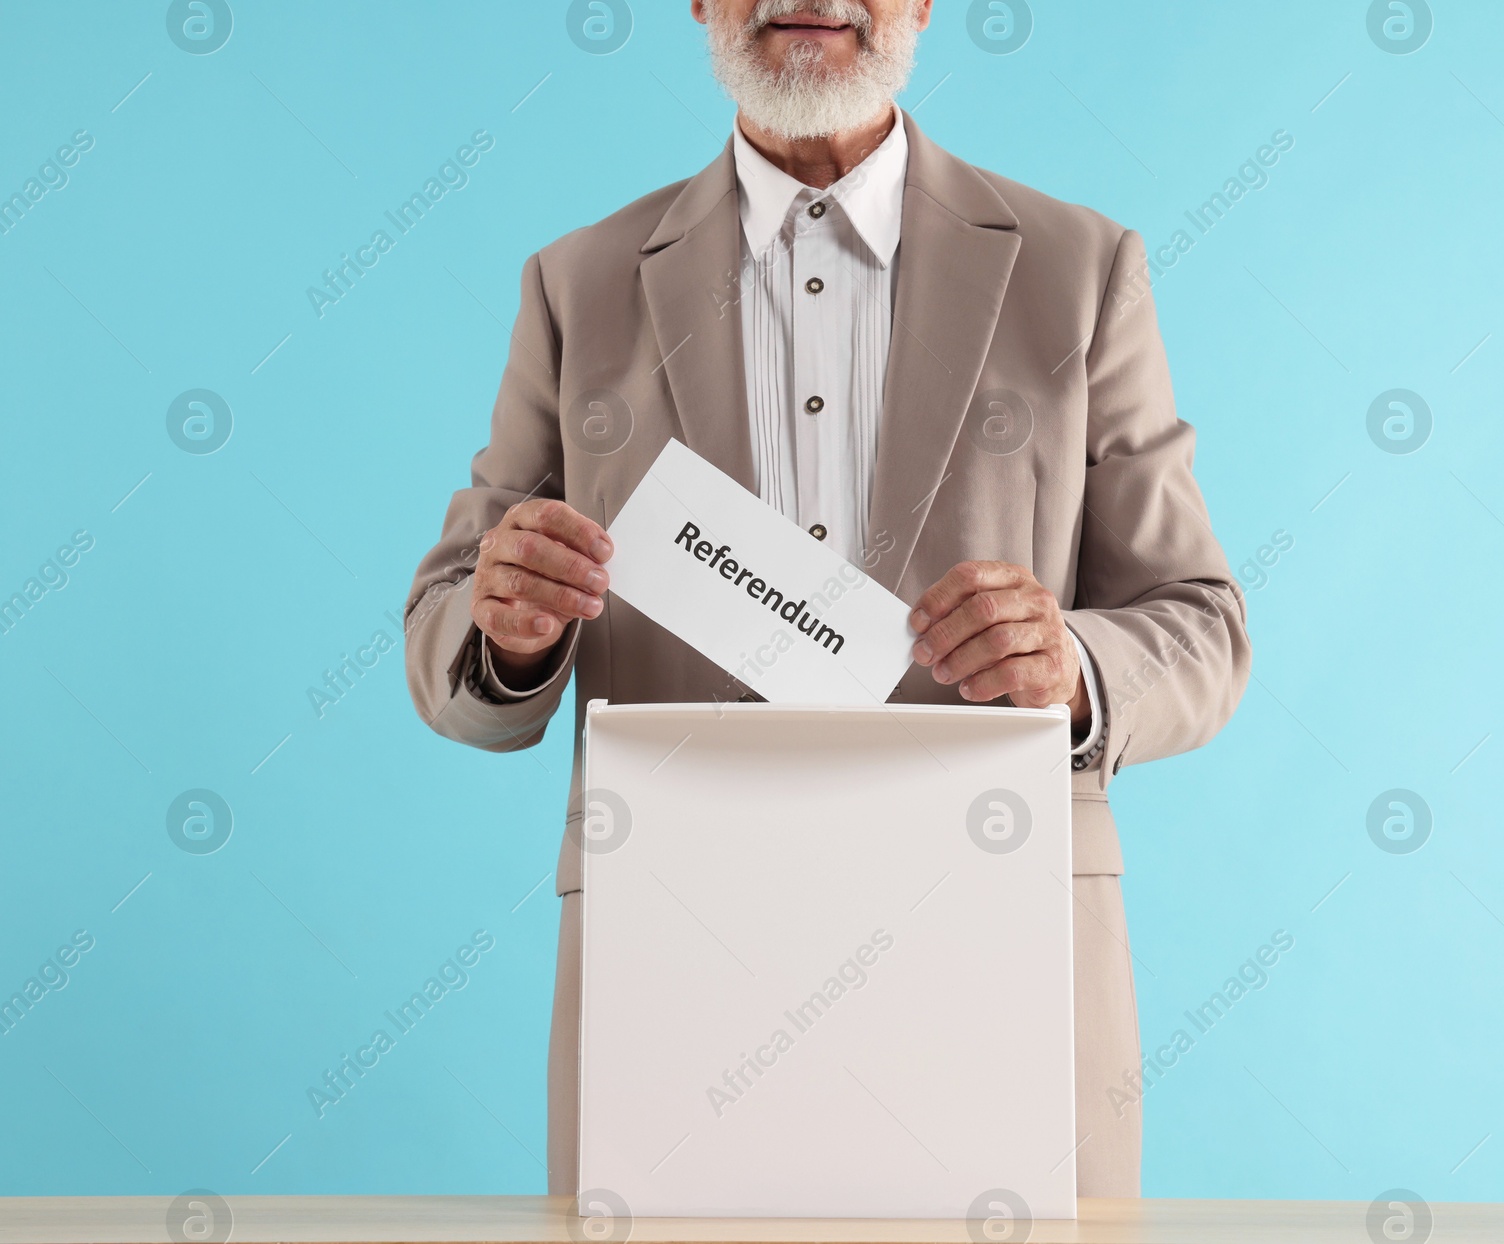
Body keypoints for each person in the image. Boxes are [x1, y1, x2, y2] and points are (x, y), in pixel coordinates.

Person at [404, 0, 1251, 1197]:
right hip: (675, 960)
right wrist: (506, 631)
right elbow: (451, 633)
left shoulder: (1080, 268)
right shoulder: (577, 283)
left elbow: (1201, 622)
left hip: (1000, 946)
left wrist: (1072, 661)